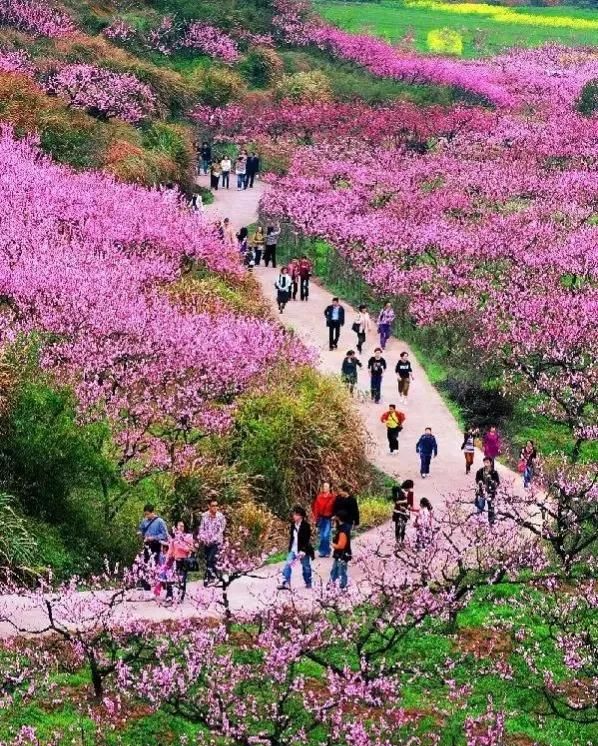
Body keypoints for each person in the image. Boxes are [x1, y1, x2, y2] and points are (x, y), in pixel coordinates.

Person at [279, 505, 314, 590]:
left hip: (303, 549)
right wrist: (290, 548)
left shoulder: (306, 526)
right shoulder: (293, 525)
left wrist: (303, 550)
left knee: (306, 566)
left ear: (301, 516)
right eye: (294, 514)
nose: (294, 516)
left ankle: (308, 582)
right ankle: (286, 583)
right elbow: (292, 537)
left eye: (296, 514)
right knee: (288, 564)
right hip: (293, 549)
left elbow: (307, 539)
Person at [197, 499, 227, 587]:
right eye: (213, 506)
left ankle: (209, 577)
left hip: (216, 542)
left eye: (216, 506)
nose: (215, 507)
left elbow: (221, 530)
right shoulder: (204, 516)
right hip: (207, 542)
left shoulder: (220, 517)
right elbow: (202, 528)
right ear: (209, 506)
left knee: (211, 558)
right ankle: (214, 576)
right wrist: (202, 537)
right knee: (209, 560)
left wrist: (213, 538)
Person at [167, 521, 195, 602]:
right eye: (179, 526)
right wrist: (168, 558)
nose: (181, 528)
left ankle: (181, 596)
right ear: (176, 527)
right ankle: (172, 595)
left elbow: (190, 548)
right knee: (175, 578)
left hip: (184, 559)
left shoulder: (188, 536)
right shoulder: (174, 538)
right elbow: (171, 548)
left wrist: (181, 544)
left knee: (183, 578)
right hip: (176, 559)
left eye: (182, 526)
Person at [138, 503, 169, 568]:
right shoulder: (144, 521)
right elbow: (141, 529)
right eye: (145, 514)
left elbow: (165, 535)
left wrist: (154, 538)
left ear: (152, 512)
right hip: (146, 544)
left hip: (156, 545)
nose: (146, 516)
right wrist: (140, 533)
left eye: (148, 514)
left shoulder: (160, 521)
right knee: (146, 563)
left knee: (155, 564)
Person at [312, 481, 336, 557]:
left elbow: (335, 508)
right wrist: (315, 519)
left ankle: (327, 551)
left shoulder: (332, 497)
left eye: (326, 486)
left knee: (326, 535)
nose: (325, 488)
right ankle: (323, 551)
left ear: (329, 488)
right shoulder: (319, 497)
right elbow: (316, 509)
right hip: (321, 519)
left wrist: (335, 517)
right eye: (324, 486)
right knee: (322, 536)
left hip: (328, 519)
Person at [329, 511, 351, 590]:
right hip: (340, 554)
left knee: (341, 571)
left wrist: (332, 544)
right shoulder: (344, 527)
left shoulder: (342, 531)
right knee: (334, 569)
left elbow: (341, 545)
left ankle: (342, 586)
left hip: (342, 554)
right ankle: (332, 584)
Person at [475, 457, 500, 524]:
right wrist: (480, 483)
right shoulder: (480, 471)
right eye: (485, 462)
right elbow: (477, 479)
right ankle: (478, 520)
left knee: (491, 507)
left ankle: (491, 521)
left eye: (487, 462)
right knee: (480, 506)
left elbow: (497, 482)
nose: (486, 464)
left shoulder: (494, 472)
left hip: (491, 493)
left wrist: (492, 484)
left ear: (491, 463)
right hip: (481, 492)